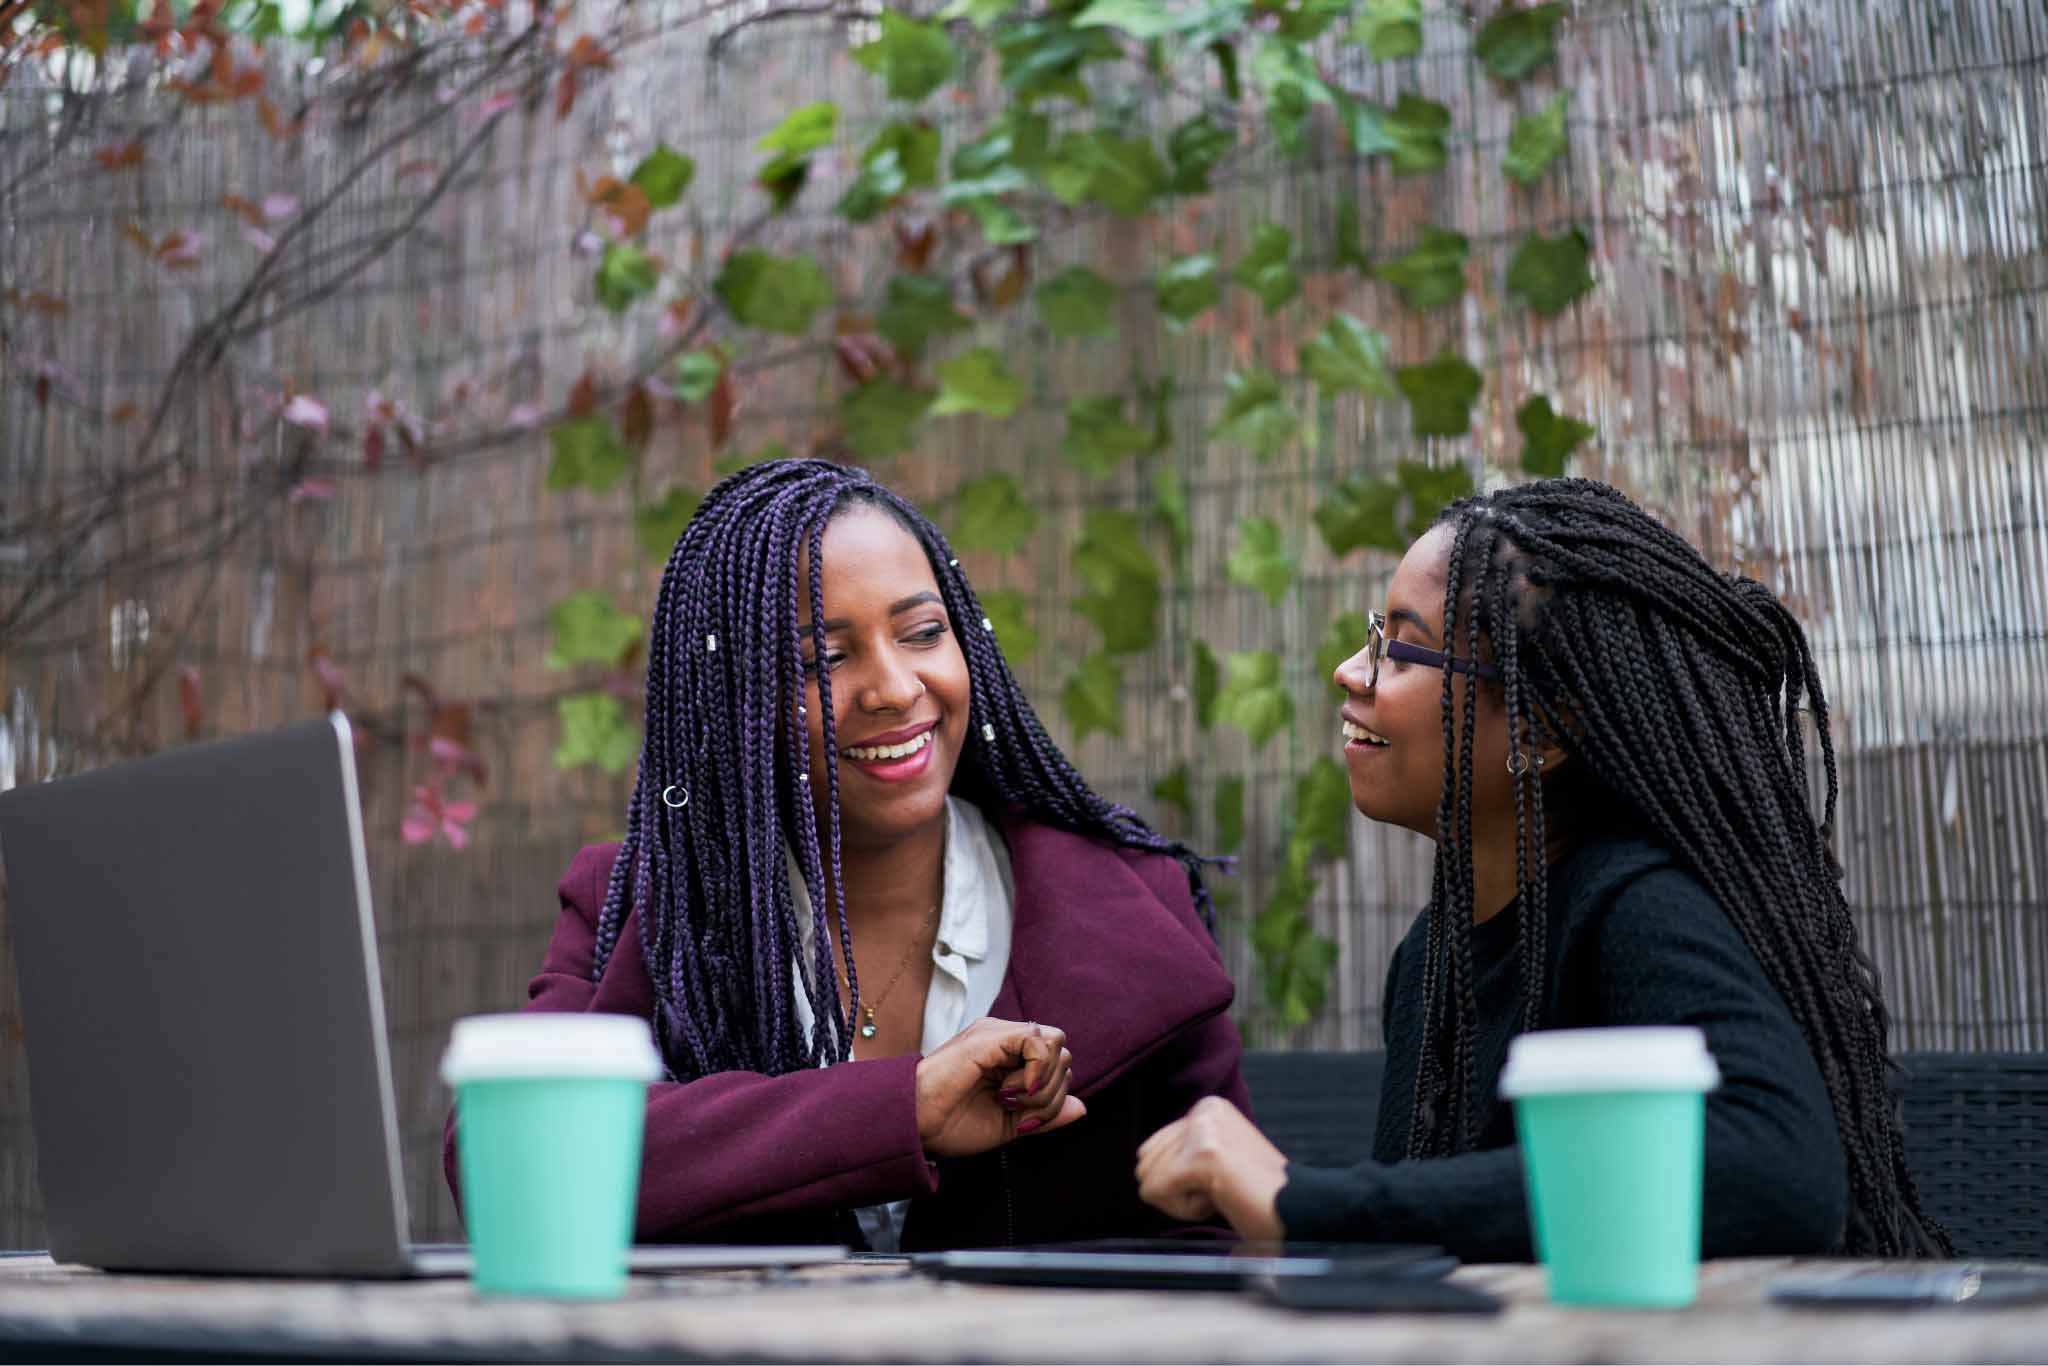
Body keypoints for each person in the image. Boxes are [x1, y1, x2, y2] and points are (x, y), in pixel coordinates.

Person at [1135, 478, 1950, 1259]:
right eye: (1372, 636)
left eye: (1403, 648)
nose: (1351, 671)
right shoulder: (1431, 957)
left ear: (1538, 732)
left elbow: (1779, 1170)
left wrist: (1299, 1199)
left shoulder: (1638, 905)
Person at [444, 457, 1246, 1251]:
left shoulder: (1138, 906)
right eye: (822, 659)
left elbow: (1215, 1236)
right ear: (733, 703)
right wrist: (901, 1109)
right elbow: (513, 1163)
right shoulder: (643, 911)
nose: (894, 688)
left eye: (923, 633)